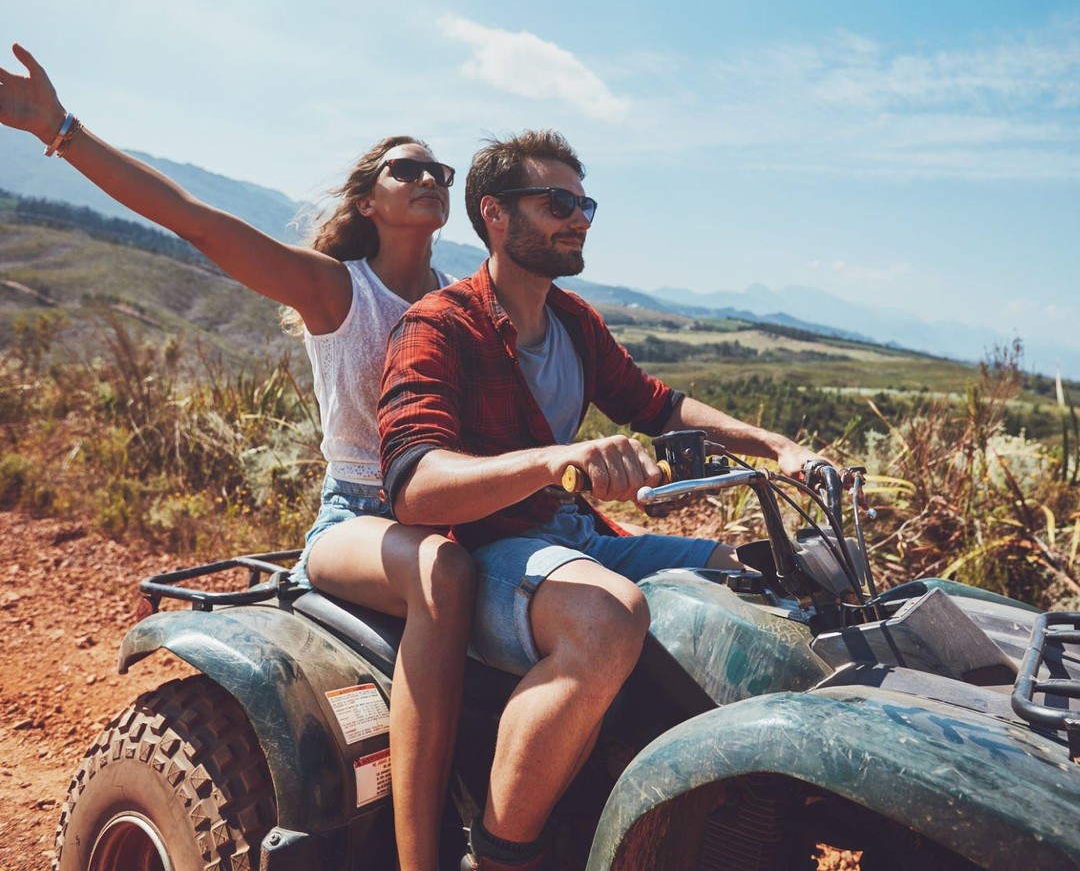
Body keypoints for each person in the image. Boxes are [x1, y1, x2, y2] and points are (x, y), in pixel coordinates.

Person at [0, 43, 474, 871]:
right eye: (409, 169)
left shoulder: (460, 303)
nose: (432, 177)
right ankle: (418, 853)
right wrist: (60, 129)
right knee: (443, 575)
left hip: (452, 504)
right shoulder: (338, 290)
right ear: (369, 199)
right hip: (363, 516)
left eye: (443, 170)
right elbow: (199, 221)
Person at [378, 130, 822, 871]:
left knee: (748, 581)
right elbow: (415, 487)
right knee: (607, 615)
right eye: (558, 202)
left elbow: (661, 407)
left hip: (573, 537)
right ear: (494, 212)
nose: (579, 217)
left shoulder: (575, 324)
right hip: (485, 546)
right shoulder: (439, 324)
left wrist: (780, 448)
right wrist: (556, 460)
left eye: (585, 204)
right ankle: (499, 856)